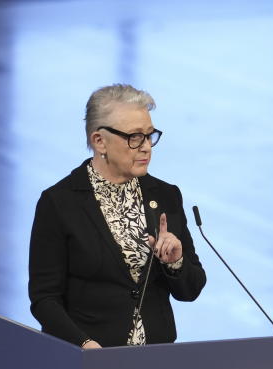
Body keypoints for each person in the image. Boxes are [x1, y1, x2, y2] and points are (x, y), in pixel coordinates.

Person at [28, 84, 206, 348]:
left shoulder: (166, 195)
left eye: (149, 136)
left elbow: (190, 290)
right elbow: (44, 299)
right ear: (99, 140)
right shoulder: (60, 203)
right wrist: (84, 343)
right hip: (91, 361)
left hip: (158, 360)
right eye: (135, 137)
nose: (146, 147)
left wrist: (176, 262)